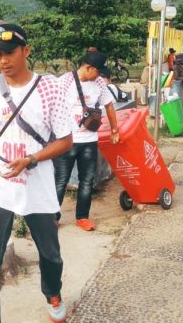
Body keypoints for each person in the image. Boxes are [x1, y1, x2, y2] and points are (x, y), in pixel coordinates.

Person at [0, 23, 75, 323]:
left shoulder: (49, 88)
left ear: (26, 50)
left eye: (9, 53)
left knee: (50, 255)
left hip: (37, 184)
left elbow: (65, 140)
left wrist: (32, 158)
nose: (3, 61)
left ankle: (53, 293)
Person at [54, 50, 120, 231]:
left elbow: (109, 106)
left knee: (87, 181)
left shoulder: (99, 83)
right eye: (97, 71)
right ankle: (53, 217)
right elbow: (51, 108)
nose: (100, 75)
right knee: (60, 181)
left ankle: (82, 217)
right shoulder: (64, 82)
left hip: (89, 141)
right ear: (88, 67)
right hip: (66, 141)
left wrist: (115, 129)